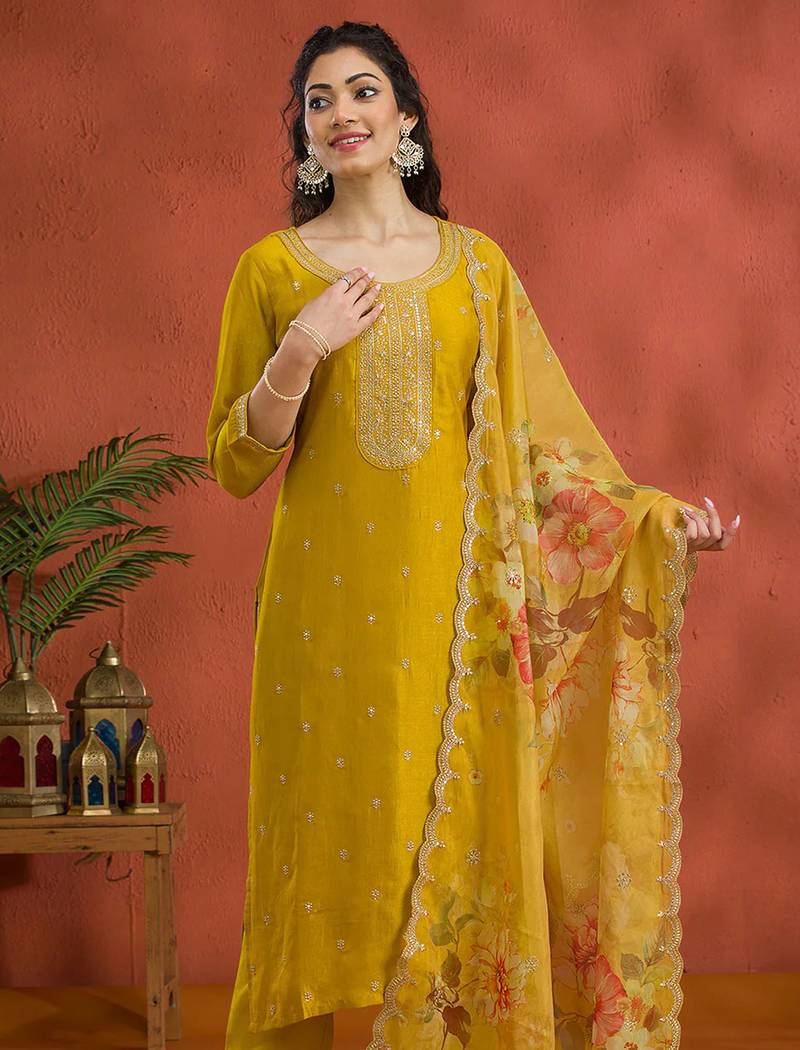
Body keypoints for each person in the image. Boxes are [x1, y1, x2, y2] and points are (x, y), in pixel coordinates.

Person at [206, 21, 739, 1050]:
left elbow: (543, 447)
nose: (341, 112)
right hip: (321, 625)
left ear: (405, 116)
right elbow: (234, 462)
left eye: (363, 90)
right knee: (316, 857)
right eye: (318, 100)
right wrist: (300, 350)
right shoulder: (270, 270)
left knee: (443, 852)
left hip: (456, 624)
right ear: (305, 135)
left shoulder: (477, 269)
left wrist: (654, 524)